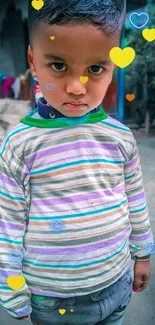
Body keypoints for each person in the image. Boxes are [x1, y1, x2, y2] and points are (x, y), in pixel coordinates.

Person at [0, 0, 153, 324]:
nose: (76, 88)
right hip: (54, 301)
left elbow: (136, 200)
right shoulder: (20, 145)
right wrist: (13, 292)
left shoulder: (121, 137)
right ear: (33, 60)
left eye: (95, 69)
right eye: (58, 66)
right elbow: (8, 225)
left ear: (112, 66)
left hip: (117, 282)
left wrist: (143, 253)